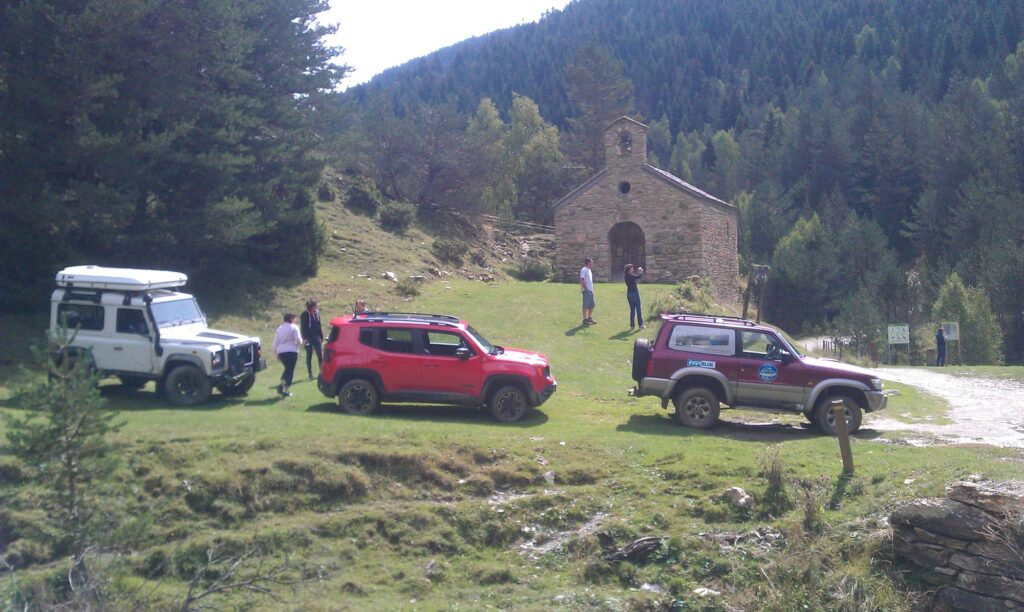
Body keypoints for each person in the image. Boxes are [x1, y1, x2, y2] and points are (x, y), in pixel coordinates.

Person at [272, 312, 302, 397]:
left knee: (287, 369)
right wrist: (299, 344)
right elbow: (298, 340)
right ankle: (285, 388)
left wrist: (276, 352)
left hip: (282, 352)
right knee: (290, 371)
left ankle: (282, 385)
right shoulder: (294, 327)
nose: (296, 320)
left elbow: (275, 342)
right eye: (294, 318)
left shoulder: (280, 328)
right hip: (291, 351)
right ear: (291, 319)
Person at [300, 299, 323, 380]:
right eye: (315, 306)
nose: (316, 307)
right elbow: (303, 327)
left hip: (316, 337)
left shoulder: (316, 313)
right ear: (311, 307)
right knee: (309, 355)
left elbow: (319, 325)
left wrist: (321, 336)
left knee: (320, 354)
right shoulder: (304, 314)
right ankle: (310, 373)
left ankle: (322, 372)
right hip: (308, 338)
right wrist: (304, 338)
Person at [624, 263, 645, 330]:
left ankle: (632, 326)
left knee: (632, 310)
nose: (633, 269)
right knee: (638, 309)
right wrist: (641, 271)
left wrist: (638, 273)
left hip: (629, 294)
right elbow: (639, 277)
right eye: (632, 268)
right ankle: (640, 325)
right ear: (629, 269)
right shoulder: (630, 275)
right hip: (634, 294)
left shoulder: (626, 276)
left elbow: (635, 276)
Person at [580, 257, 596, 325]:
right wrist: (585, 288)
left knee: (592, 305)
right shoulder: (584, 270)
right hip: (586, 290)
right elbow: (582, 280)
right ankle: (585, 320)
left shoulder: (589, 270)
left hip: (591, 290)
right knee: (586, 305)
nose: (593, 264)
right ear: (589, 263)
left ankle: (589, 318)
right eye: (592, 262)